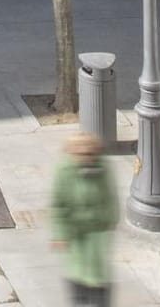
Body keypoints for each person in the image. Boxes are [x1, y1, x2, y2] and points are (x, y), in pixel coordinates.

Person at [50, 131, 119, 306]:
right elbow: (58, 204)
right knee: (78, 271)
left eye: (90, 153)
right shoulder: (64, 171)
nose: (86, 157)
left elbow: (110, 195)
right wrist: (60, 234)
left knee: (98, 274)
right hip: (76, 232)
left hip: (97, 231)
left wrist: (111, 219)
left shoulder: (102, 167)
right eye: (81, 154)